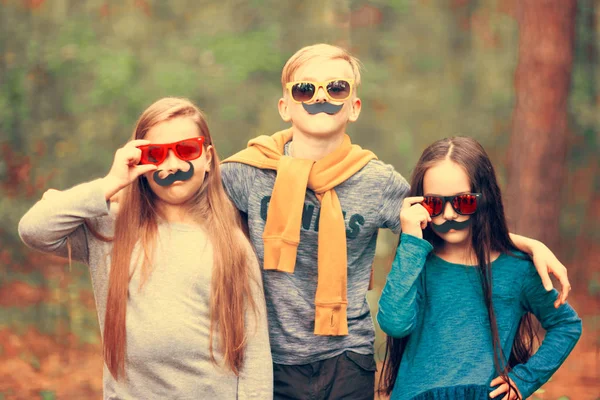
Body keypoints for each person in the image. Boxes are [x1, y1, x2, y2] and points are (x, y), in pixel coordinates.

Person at [220, 44, 571, 399]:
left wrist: (524, 243)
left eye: (336, 87)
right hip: (270, 355)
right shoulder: (247, 173)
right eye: (305, 89)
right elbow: (189, 209)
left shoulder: (379, 182)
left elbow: (442, 220)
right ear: (284, 106)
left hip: (347, 356)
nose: (320, 97)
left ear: (354, 107)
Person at [18, 97, 273, 399]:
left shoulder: (232, 244)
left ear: (207, 158)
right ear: (138, 162)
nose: (172, 164)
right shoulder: (110, 229)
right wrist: (110, 183)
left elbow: (255, 356)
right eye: (156, 155)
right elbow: (34, 229)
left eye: (186, 149)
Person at [377, 136, 582, 400]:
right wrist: (410, 241)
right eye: (434, 204)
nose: (449, 215)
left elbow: (566, 325)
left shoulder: (516, 269)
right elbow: (394, 323)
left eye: (463, 202)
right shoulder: (416, 261)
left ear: (484, 199)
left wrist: (523, 380)